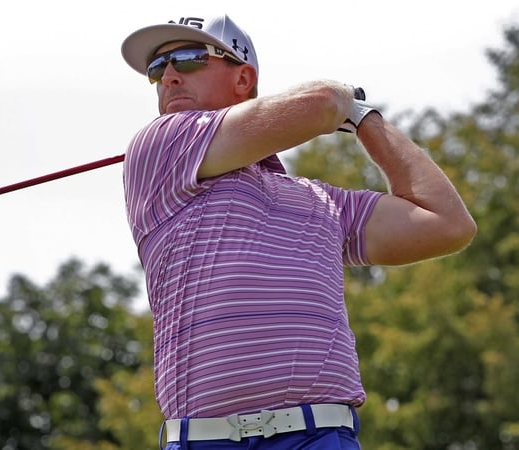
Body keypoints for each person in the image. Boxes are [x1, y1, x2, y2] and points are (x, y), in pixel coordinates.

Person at [119, 13, 477, 450]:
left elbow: (448, 224)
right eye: (158, 68)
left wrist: (367, 119)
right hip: (204, 441)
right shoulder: (159, 148)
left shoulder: (323, 201)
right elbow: (323, 103)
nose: (169, 77)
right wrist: (345, 101)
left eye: (189, 58)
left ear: (243, 78)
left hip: (319, 437)